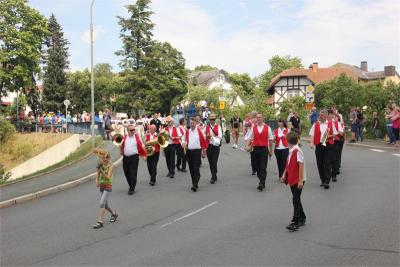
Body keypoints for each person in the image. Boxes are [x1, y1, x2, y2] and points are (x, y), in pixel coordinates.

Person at [280, 131, 306, 232]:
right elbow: (288, 164)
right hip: (292, 178)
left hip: (298, 179)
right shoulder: (291, 150)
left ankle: (295, 222)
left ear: (288, 142)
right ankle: (302, 217)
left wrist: (300, 181)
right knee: (297, 198)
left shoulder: (297, 151)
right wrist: (283, 175)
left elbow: (301, 165)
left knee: (295, 199)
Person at [244, 113, 274, 191]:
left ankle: (261, 182)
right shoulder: (253, 128)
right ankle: (261, 180)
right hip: (256, 149)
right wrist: (247, 146)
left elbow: (271, 140)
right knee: (257, 167)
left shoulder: (268, 128)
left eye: (260, 117)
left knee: (263, 166)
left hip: (264, 149)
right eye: (257, 117)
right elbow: (249, 138)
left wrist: (271, 151)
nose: (258, 119)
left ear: (263, 118)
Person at [309, 110, 338, 189]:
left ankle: (327, 181)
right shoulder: (316, 124)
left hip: (328, 145)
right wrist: (311, 143)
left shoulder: (330, 123)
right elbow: (312, 134)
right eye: (320, 115)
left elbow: (336, 134)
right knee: (320, 164)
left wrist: (330, 136)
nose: (321, 116)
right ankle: (322, 179)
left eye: (322, 115)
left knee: (327, 163)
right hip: (319, 145)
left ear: (326, 116)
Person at [93, 151, 118, 229]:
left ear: (109, 158)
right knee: (105, 205)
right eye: (103, 158)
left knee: (101, 203)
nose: (104, 159)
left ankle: (100, 222)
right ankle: (114, 214)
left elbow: (108, 177)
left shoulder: (111, 165)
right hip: (102, 186)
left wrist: (101, 171)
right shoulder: (100, 165)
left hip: (108, 185)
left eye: (106, 158)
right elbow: (97, 176)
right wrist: (97, 181)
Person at [182, 117, 208, 192]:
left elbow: (203, 142)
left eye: (193, 123)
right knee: (191, 169)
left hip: (197, 152)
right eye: (191, 123)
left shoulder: (200, 132)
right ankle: (194, 182)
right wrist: (183, 143)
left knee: (196, 168)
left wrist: (204, 152)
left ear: (196, 123)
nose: (192, 124)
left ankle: (195, 185)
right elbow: (183, 140)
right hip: (189, 152)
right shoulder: (187, 132)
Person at [120, 125, 146, 195]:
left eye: (133, 130)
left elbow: (141, 146)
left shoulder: (137, 137)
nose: (133, 131)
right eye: (131, 130)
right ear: (127, 131)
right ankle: (131, 185)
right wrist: (121, 150)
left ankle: (132, 188)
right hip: (125, 158)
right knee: (126, 173)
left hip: (134, 157)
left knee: (133, 173)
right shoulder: (124, 137)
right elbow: (121, 145)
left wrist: (143, 155)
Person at [205, 113, 223, 184]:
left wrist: (211, 137)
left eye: (213, 119)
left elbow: (220, 136)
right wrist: (206, 136)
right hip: (208, 146)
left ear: (215, 120)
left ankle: (213, 176)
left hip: (215, 146)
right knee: (210, 162)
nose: (212, 120)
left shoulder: (218, 127)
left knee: (214, 162)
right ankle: (214, 174)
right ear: (209, 120)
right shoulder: (206, 127)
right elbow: (203, 135)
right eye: (211, 119)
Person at [330, 110, 343, 182]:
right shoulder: (327, 123)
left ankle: (334, 174)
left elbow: (341, 133)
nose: (333, 118)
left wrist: (336, 133)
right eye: (332, 117)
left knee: (335, 158)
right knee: (329, 159)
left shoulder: (338, 123)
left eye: (334, 117)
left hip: (335, 142)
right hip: (328, 142)